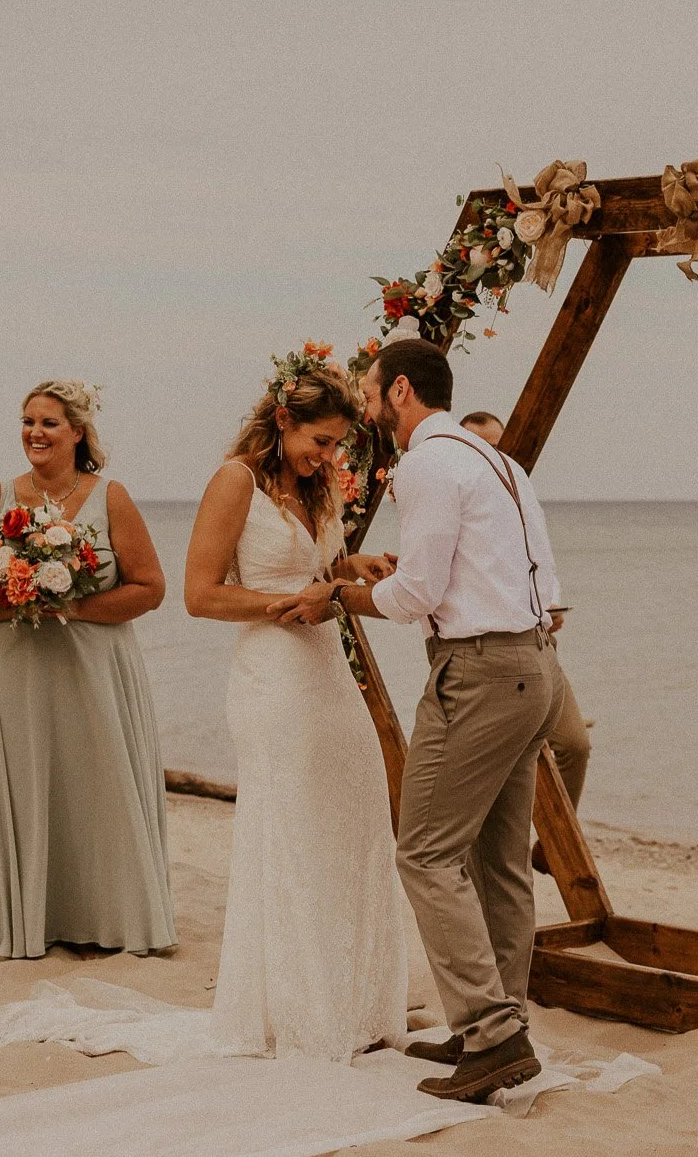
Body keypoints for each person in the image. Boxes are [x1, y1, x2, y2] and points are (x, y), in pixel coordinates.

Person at [298, 338, 568, 1103]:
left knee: (422, 852)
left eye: (372, 393)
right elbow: (538, 580)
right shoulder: (499, 462)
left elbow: (415, 594)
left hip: (479, 672)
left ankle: (491, 1029)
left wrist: (336, 596)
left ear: (402, 393)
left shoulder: (422, 463)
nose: (367, 408)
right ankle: (492, 1021)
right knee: (498, 860)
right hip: (536, 661)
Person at [182, 352, 409, 1060]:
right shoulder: (235, 482)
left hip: (325, 670)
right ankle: (299, 1010)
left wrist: (348, 570)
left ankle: (356, 1000)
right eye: (320, 440)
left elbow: (317, 568)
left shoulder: (316, 487)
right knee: (293, 828)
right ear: (283, 420)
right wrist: (287, 602)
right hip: (272, 675)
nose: (330, 454)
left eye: (339, 443)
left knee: (358, 812)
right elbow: (201, 593)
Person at [0, 380, 175, 960]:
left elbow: (151, 589)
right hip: (15, 671)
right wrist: (11, 597)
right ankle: (29, 918)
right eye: (27, 421)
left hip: (93, 672)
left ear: (77, 431)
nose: (35, 433)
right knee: (27, 783)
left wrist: (70, 606)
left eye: (48, 423)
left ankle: (110, 917)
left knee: (98, 789)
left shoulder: (110, 497)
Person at [460, 410, 593, 863]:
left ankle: (547, 851)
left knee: (575, 744)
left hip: (539, 648)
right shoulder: (455, 503)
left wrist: (552, 606)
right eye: (480, 446)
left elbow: (543, 567)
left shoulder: (520, 499)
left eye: (497, 447)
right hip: (483, 659)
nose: (489, 457)